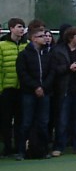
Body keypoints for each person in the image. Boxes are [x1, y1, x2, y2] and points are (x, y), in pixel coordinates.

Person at [50, 27, 76, 156]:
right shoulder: (58, 51)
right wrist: (68, 68)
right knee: (62, 120)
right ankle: (59, 146)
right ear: (70, 38)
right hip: (64, 90)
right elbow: (54, 69)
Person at [15, 27, 54, 160]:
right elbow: (22, 73)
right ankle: (21, 151)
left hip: (45, 93)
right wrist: (36, 87)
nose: (45, 38)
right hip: (29, 93)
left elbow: (52, 72)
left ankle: (44, 150)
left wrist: (44, 87)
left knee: (43, 123)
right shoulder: (24, 55)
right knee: (26, 122)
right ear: (33, 39)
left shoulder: (48, 54)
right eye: (41, 36)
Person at [0, 18, 29, 157]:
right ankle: (7, 146)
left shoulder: (27, 45)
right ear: (11, 28)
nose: (21, 29)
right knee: (5, 120)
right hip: (7, 89)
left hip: (23, 89)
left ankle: (19, 146)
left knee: (20, 120)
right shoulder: (2, 45)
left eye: (23, 27)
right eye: (18, 26)